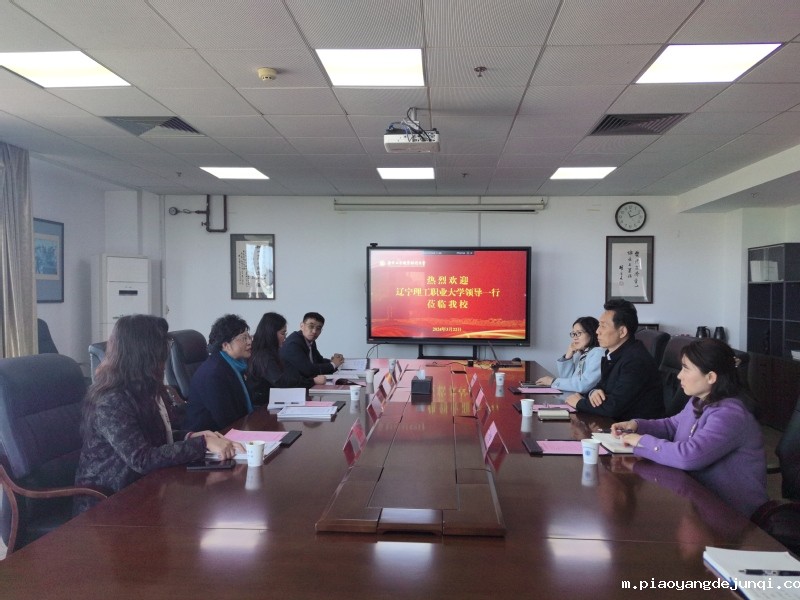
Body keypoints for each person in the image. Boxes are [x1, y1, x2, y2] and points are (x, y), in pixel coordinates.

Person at [75, 315, 243, 509]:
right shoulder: (111, 400)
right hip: (108, 503)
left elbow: (156, 437)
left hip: (146, 488)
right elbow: (142, 459)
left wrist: (190, 436)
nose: (166, 353)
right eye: (163, 345)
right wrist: (202, 444)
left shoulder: (146, 387)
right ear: (144, 352)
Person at [611, 338, 768, 517]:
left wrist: (641, 441)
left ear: (711, 377)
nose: (679, 376)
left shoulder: (730, 414)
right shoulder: (700, 400)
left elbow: (688, 456)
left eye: (686, 369)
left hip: (733, 515)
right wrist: (637, 425)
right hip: (699, 502)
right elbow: (672, 425)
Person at [565, 298, 663, 419]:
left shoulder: (635, 361)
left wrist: (579, 403)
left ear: (622, 332)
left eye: (603, 326)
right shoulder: (613, 354)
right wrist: (593, 392)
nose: (597, 331)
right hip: (614, 422)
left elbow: (613, 407)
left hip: (635, 427)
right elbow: (600, 387)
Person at [183, 314, 254, 431]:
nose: (249, 342)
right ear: (226, 345)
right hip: (211, 435)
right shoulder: (214, 374)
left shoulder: (234, 364)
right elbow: (226, 420)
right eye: (244, 338)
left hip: (236, 427)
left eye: (249, 337)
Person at [247, 312, 326, 405]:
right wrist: (312, 381)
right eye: (282, 333)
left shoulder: (271, 351)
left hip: (276, 400)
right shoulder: (263, 355)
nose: (285, 337)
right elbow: (281, 381)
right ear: (271, 333)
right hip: (262, 406)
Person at [536, 316, 603, 394]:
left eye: (579, 333)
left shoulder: (598, 353)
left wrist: (553, 381)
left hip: (587, 399)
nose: (575, 337)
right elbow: (567, 383)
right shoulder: (581, 354)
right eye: (574, 334)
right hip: (574, 397)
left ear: (592, 333)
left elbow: (583, 385)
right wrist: (568, 356)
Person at [280, 312, 344, 379]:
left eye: (318, 328)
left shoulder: (310, 341)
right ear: (302, 326)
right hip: (292, 384)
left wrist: (336, 360)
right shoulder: (293, 344)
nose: (314, 331)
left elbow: (318, 361)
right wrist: (333, 364)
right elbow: (308, 370)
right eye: (311, 326)